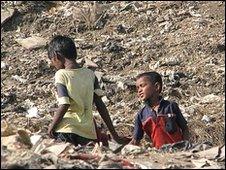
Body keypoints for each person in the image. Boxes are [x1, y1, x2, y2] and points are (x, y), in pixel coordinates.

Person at [47, 35, 129, 146]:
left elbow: (64, 104)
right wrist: (114, 135)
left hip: (67, 130)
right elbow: (100, 106)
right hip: (87, 133)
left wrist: (51, 127)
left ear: (56, 56)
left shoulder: (61, 74)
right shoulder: (91, 75)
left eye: (52, 60)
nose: (53, 65)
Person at [129, 71, 189, 149]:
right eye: (137, 88)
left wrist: (186, 146)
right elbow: (135, 140)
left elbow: (185, 129)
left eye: (142, 86)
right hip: (160, 154)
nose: (139, 90)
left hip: (178, 151)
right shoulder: (141, 115)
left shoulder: (171, 106)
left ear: (156, 87)